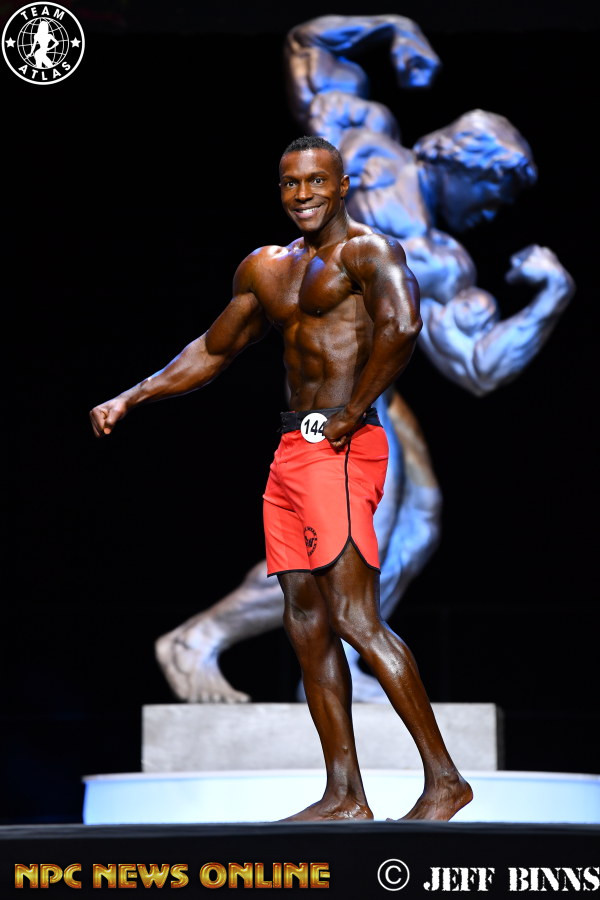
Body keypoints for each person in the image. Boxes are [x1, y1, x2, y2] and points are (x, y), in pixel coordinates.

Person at [90, 135, 472, 822]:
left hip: (344, 446)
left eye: (316, 180)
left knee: (354, 618)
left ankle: (444, 780)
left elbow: (403, 325)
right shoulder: (267, 268)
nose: (303, 194)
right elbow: (212, 350)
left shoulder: (369, 253)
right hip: (292, 451)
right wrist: (132, 396)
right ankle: (346, 796)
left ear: (342, 184)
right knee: (305, 621)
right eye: (291, 183)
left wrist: (353, 410)